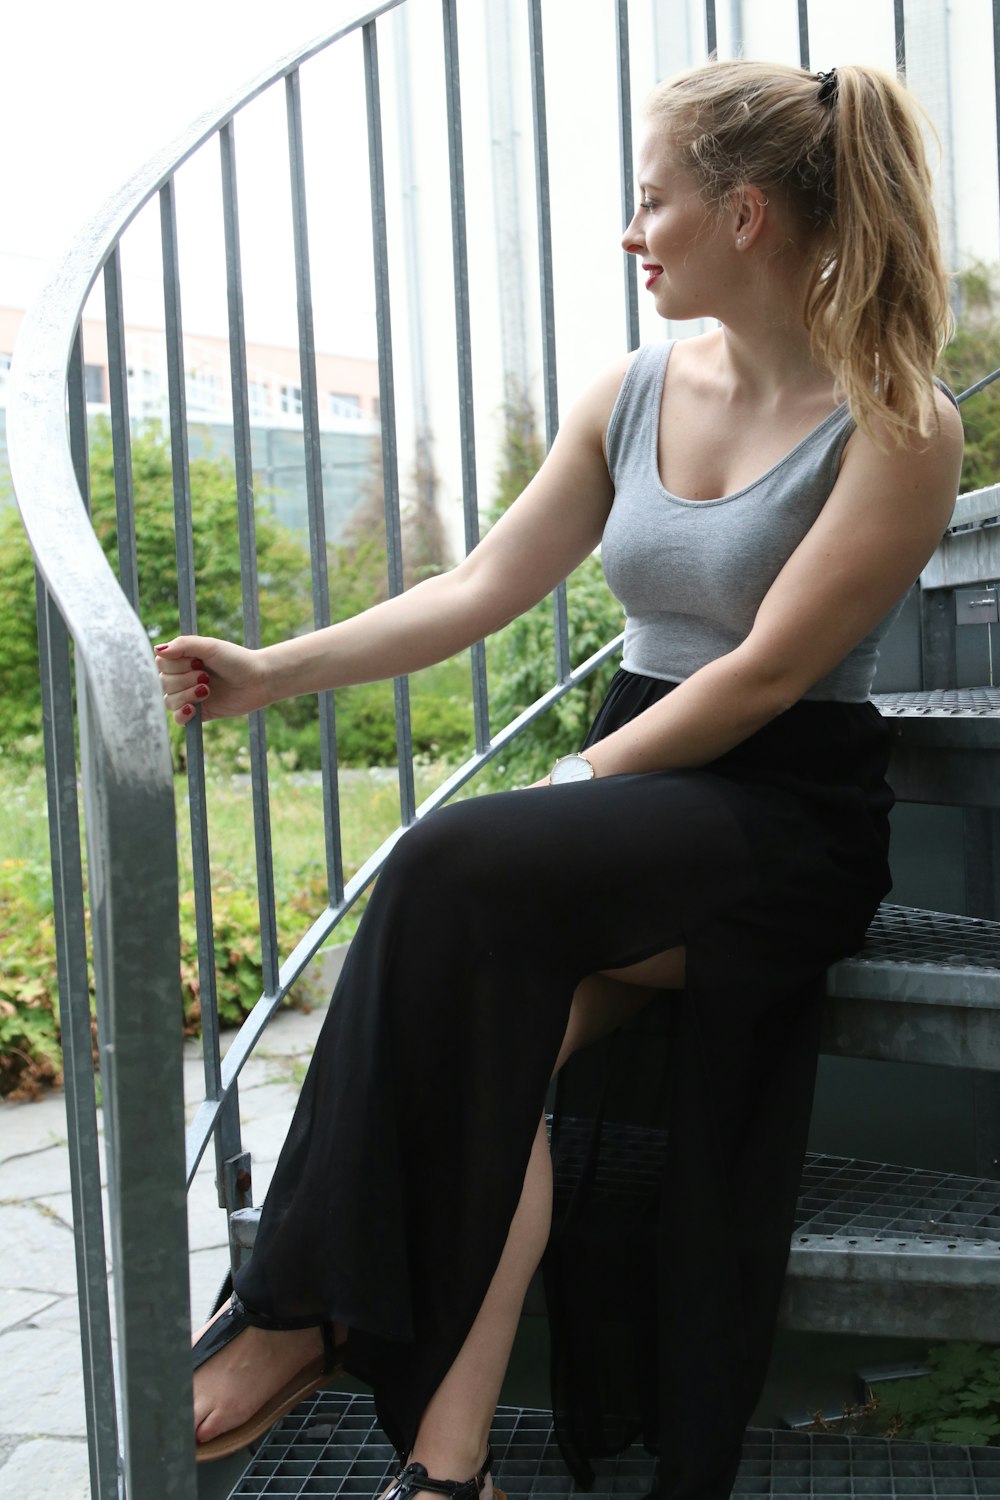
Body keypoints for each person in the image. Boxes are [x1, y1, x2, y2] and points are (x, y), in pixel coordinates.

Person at [156, 59, 963, 1500]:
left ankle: (293, 1312)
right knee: (487, 1049)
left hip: (782, 813)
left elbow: (767, 677)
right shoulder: (633, 391)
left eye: (652, 200)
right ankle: (450, 1471)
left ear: (749, 213)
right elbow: (478, 586)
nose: (631, 231)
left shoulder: (897, 423)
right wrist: (277, 671)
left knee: (454, 862)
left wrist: (571, 786)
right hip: (639, 795)